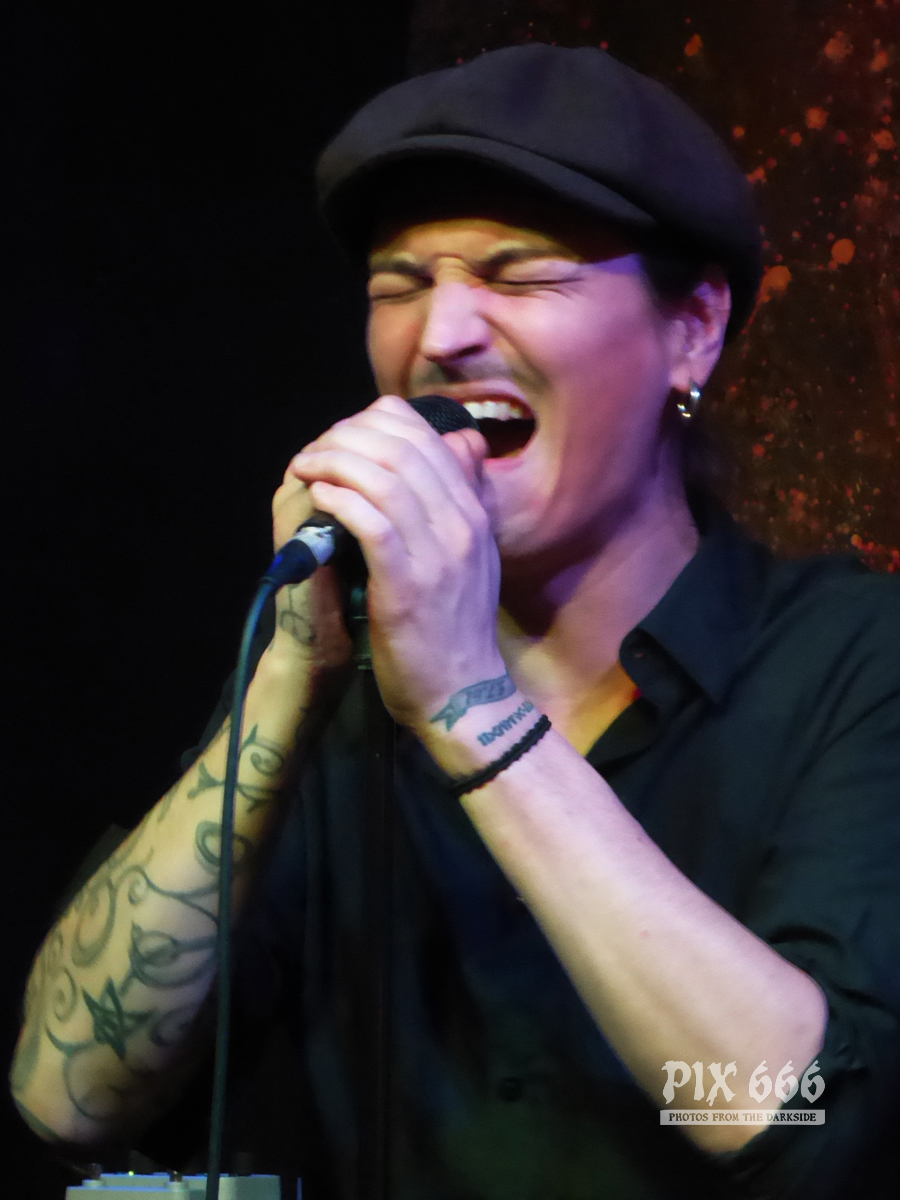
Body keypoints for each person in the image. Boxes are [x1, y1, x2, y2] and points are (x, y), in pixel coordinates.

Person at [11, 43, 900, 1200]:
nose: (440, 337)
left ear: (691, 329)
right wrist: (290, 678)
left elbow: (804, 1123)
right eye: (398, 284)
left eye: (517, 275)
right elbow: (67, 1095)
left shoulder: (856, 665)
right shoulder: (332, 696)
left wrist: (472, 708)